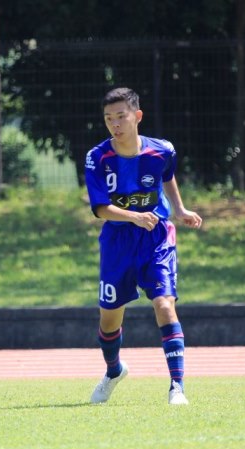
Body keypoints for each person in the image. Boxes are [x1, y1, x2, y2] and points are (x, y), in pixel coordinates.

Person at [84, 87, 203, 405]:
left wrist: (179, 209)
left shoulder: (162, 150)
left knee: (164, 304)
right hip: (118, 241)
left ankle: (177, 387)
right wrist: (134, 217)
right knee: (109, 319)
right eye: (109, 118)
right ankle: (113, 371)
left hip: (157, 236)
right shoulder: (97, 158)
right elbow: (101, 209)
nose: (115, 124)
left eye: (121, 116)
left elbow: (167, 175)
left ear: (137, 116)